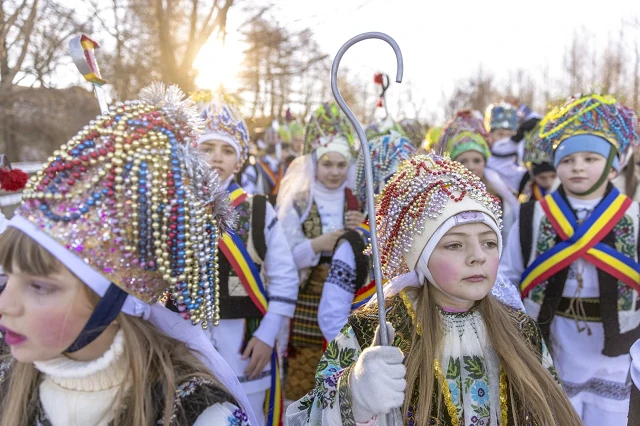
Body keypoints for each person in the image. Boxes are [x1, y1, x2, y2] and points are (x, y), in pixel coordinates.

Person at [0, 83, 257, 426]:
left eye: (40, 286)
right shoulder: (9, 381)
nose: (5, 304)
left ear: (110, 300)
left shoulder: (196, 414)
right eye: (4, 278)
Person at [286, 154, 581, 426]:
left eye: (489, 242)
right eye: (454, 244)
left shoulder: (518, 327)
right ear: (421, 259)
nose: (478, 256)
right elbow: (303, 417)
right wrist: (355, 397)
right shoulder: (376, 330)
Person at [500, 94, 640, 426]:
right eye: (568, 158)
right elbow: (507, 276)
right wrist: (515, 331)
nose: (578, 166)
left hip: (615, 347)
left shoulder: (633, 218)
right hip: (554, 340)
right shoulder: (533, 215)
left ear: (614, 164)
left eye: (591, 158)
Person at [191, 95, 299, 425]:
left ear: (239, 161)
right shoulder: (173, 208)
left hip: (245, 346)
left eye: (226, 150)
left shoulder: (258, 211)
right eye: (206, 148)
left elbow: (286, 279)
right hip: (187, 345)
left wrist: (267, 335)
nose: (215, 158)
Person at [276, 101, 365, 402]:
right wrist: (316, 245)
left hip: (348, 302)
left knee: (344, 379)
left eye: (341, 165)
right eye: (328, 164)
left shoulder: (357, 202)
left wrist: (361, 229)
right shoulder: (299, 202)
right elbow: (281, 258)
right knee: (303, 377)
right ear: (314, 163)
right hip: (306, 302)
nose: (335, 172)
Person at [318, 132, 416, 343]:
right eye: (391, 181)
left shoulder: (425, 238)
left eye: (410, 181)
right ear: (373, 188)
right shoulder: (355, 244)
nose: (401, 191)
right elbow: (331, 316)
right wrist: (358, 365)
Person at [439, 110, 518, 243]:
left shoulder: (499, 195)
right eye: (463, 161)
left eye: (477, 161)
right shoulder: (440, 198)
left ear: (485, 163)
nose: (471, 167)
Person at [484, 102, 527, 192]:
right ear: (490, 135)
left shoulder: (522, 171)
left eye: (509, 135)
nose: (505, 139)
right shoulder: (481, 166)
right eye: (500, 134)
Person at [516, 116, 557, 202]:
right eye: (542, 178)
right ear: (533, 175)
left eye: (553, 176)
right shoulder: (526, 193)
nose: (549, 183)